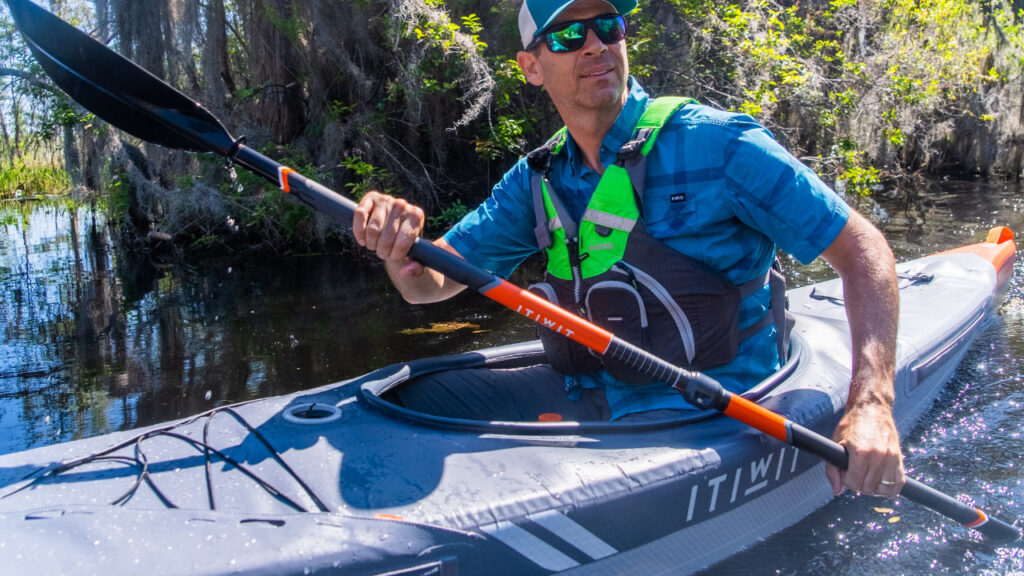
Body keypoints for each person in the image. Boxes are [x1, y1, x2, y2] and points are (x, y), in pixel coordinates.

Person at [352, 0, 905, 499]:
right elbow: (427, 285)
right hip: (587, 389)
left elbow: (864, 251)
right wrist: (400, 243)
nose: (594, 44)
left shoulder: (722, 144)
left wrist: (872, 403)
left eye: (607, 26)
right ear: (532, 67)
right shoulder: (536, 180)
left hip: (709, 407)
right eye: (568, 35)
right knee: (415, 399)